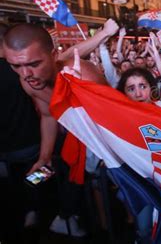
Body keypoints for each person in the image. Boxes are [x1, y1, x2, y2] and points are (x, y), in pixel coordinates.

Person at [3, 20, 118, 236]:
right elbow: (47, 115)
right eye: (16, 66)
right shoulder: (27, 82)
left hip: (106, 147)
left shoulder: (84, 75)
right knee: (37, 179)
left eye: (34, 63)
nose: (25, 73)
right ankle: (62, 216)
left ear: (54, 55)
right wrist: (44, 157)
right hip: (74, 147)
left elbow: (114, 120)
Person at [0, 23, 42, 243]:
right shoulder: (21, 70)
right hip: (29, 144)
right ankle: (33, 209)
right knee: (35, 178)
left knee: (10, 187)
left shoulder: (19, 69)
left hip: (6, 149)